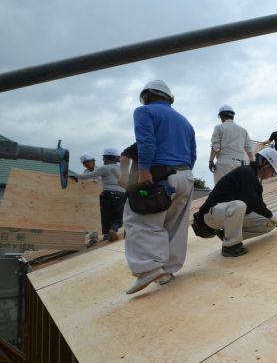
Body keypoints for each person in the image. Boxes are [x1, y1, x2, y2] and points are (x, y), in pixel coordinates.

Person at [124, 80, 197, 294]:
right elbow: (193, 153)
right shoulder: (185, 121)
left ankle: (148, 269)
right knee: (175, 224)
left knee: (138, 219)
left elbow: (146, 141)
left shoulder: (144, 111)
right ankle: (167, 271)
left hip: (162, 175)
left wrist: (144, 171)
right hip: (186, 176)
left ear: (147, 96)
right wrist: (183, 174)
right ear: (168, 98)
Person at [195, 148, 277, 257]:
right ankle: (230, 247)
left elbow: (260, 207)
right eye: (272, 171)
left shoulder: (256, 183)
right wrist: (271, 215)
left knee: (269, 223)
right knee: (239, 205)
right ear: (265, 164)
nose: (272, 175)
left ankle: (226, 235)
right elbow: (249, 199)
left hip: (226, 215)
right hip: (209, 216)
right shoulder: (245, 172)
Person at [71, 147, 126, 241]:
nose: (103, 159)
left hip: (107, 194)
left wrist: (75, 176)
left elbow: (89, 176)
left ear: (108, 158)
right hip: (120, 195)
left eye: (104, 158)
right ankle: (113, 229)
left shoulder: (103, 168)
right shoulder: (121, 168)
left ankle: (108, 233)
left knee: (106, 216)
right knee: (118, 216)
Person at [208, 105, 255, 184]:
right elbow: (249, 150)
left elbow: (215, 147)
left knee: (222, 191)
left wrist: (211, 161)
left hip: (224, 164)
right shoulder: (243, 130)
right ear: (233, 116)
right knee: (238, 192)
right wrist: (253, 163)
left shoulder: (219, 127)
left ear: (221, 116)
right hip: (241, 165)